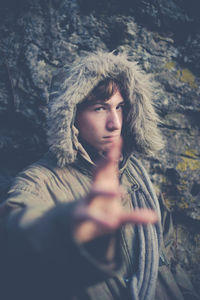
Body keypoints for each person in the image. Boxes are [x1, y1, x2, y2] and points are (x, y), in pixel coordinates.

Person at [0, 52, 195, 300]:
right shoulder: (38, 182)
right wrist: (67, 228)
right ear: (71, 116)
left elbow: (172, 267)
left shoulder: (137, 179)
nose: (115, 123)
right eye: (99, 108)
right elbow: (14, 232)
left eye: (120, 107)